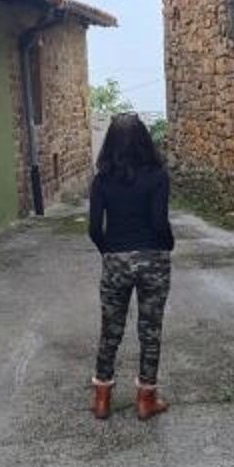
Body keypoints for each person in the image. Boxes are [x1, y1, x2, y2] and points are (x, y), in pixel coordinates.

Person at [87, 112, 174, 421]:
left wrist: (109, 252)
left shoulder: (102, 180)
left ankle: (101, 399)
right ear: (144, 140)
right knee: (150, 331)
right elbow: (159, 222)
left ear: (110, 143)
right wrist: (166, 246)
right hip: (153, 260)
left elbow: (95, 228)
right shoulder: (158, 175)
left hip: (115, 261)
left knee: (110, 330)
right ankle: (146, 400)